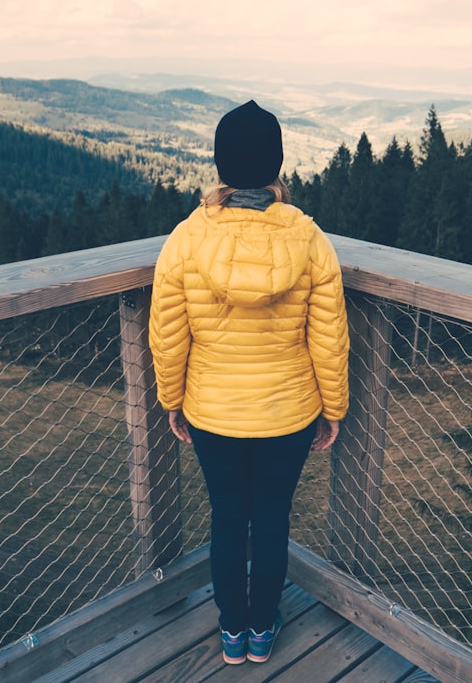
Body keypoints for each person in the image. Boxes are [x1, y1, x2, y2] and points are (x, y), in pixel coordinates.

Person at [148, 99, 350, 665]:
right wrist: (332, 408)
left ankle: (231, 632)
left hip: (213, 412)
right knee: (273, 522)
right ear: (276, 167)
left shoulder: (187, 239)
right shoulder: (310, 240)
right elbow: (329, 337)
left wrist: (173, 400)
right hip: (288, 414)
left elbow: (168, 332)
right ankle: (264, 629)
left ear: (221, 168)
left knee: (228, 519)